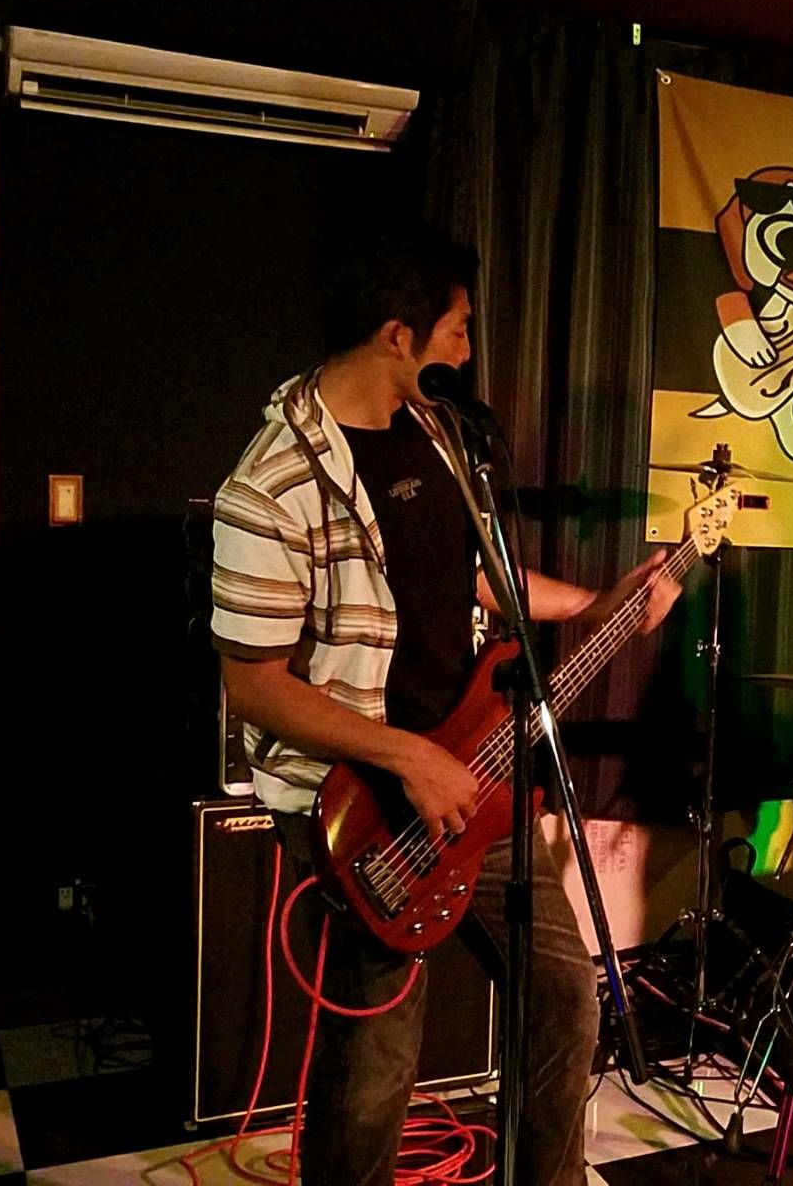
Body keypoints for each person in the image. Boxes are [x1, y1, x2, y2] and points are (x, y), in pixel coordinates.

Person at [210, 226, 680, 1185]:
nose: (467, 352)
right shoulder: (270, 485)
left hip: (477, 773)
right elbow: (253, 684)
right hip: (363, 802)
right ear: (398, 334)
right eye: (458, 329)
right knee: (376, 1057)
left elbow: (477, 578)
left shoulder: (437, 437)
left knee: (565, 998)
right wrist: (408, 757)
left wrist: (600, 607)